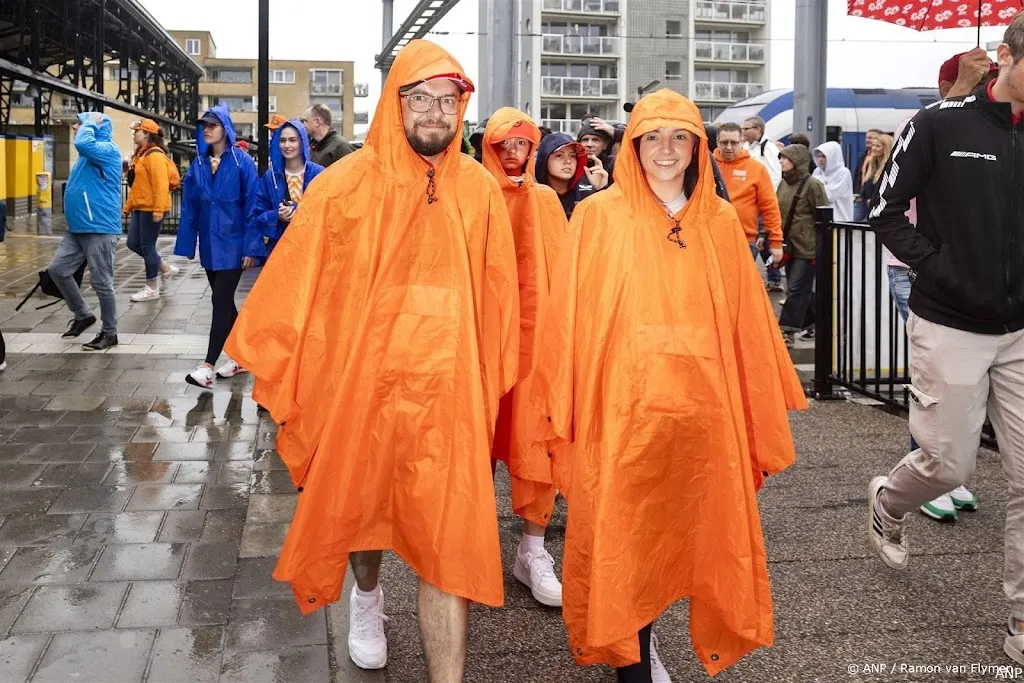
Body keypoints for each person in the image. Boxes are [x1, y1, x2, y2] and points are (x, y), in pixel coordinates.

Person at [222, 40, 519, 681]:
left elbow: (498, 298)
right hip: (364, 387)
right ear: (397, 103)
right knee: (363, 513)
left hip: (447, 393)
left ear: (461, 107)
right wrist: (287, 367)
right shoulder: (345, 186)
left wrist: (491, 383)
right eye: (421, 98)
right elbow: (300, 282)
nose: (435, 112)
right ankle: (367, 596)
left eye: (448, 99)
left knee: (448, 544)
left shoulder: (481, 193)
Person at [530, 88, 806, 682]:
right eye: (652, 136)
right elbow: (569, 320)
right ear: (632, 145)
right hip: (622, 412)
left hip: (703, 411)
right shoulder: (599, 218)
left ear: (697, 147)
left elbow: (746, 325)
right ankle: (632, 651)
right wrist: (564, 406)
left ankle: (644, 636)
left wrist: (752, 407)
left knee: (691, 529)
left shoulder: (721, 224)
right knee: (627, 532)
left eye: (679, 136)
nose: (665, 149)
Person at [867, 14, 1024, 667]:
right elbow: (883, 212)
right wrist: (946, 270)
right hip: (949, 321)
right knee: (949, 466)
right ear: (1007, 56)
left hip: (1020, 330)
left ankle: (1020, 621)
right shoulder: (939, 124)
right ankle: (887, 500)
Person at [882, 50, 998, 521]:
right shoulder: (927, 126)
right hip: (916, 270)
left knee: (959, 387)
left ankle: (949, 476)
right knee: (933, 383)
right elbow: (892, 205)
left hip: (943, 271)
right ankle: (928, 477)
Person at [481, 107, 569, 609]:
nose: (513, 155)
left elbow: (560, 274)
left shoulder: (546, 202)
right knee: (473, 449)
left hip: (536, 348)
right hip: (482, 345)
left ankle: (532, 550)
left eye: (522, 145)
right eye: (503, 146)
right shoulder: (474, 193)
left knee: (537, 446)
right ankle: (464, 549)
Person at [174, 104, 261, 389]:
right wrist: (188, 244)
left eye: (213, 124)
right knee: (225, 304)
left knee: (219, 301)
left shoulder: (242, 163)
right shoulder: (198, 165)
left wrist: (251, 247)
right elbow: (190, 207)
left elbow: (252, 206)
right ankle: (241, 358)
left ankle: (207, 366)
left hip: (234, 246)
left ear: (226, 127)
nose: (207, 129)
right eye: (204, 125)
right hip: (210, 246)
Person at [48, 112, 123, 351]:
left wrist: (90, 121)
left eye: (79, 123)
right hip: (78, 227)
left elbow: (83, 141)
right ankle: (82, 314)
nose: (76, 127)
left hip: (99, 226)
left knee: (102, 282)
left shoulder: (108, 149)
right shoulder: (86, 155)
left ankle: (110, 333)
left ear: (95, 126)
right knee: (57, 270)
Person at [776, 143, 829, 346]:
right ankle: (816, 319)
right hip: (789, 244)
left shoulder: (813, 185)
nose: (781, 161)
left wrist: (821, 246)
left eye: (785, 158)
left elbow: (823, 215)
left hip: (807, 246)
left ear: (796, 161)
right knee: (799, 288)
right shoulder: (784, 183)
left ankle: (787, 330)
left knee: (796, 288)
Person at [250, 119, 324, 260]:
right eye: (282, 140)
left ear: (302, 142)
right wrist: (276, 215)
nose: (287, 145)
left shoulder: (319, 174)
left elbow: (328, 212)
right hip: (279, 252)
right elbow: (257, 214)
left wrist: (298, 211)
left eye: (292, 140)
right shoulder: (269, 177)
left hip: (312, 251)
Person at [124, 118, 180, 302]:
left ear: (147, 133)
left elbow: (160, 185)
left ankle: (151, 287)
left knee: (147, 246)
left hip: (151, 209)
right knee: (133, 243)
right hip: (141, 207)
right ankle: (164, 267)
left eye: (137, 131)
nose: (134, 134)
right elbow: (139, 185)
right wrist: (128, 206)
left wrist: (158, 210)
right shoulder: (142, 155)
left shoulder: (155, 156)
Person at [714, 122, 782, 265]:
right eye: (724, 142)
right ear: (717, 142)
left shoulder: (756, 168)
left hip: (744, 240)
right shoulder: (706, 166)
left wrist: (776, 242)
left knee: (740, 286)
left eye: (734, 142)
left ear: (742, 142)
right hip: (711, 239)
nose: (729, 147)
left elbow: (769, 206)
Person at [535, 132, 600, 219]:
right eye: (559, 156)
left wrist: (601, 189)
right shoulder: (533, 196)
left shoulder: (587, 194)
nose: (568, 161)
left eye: (572, 156)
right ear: (544, 160)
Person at [811, 141, 854, 222]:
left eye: (824, 156)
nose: (820, 160)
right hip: (821, 217)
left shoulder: (843, 173)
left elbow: (830, 195)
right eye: (818, 156)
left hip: (840, 218)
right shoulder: (818, 171)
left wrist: (818, 181)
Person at [741, 115, 782, 190]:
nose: (743, 131)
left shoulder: (770, 148)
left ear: (758, 129)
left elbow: (775, 177)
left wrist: (766, 196)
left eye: (746, 129)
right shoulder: (744, 146)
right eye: (742, 129)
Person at [857, 134, 892, 215]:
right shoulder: (872, 166)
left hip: (879, 211)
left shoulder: (889, 167)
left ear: (886, 148)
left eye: (877, 146)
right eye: (873, 145)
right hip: (865, 207)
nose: (873, 148)